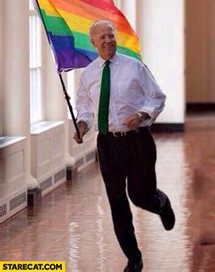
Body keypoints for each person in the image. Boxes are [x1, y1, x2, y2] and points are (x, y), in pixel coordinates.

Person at [74, 20, 175, 272]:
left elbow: (157, 97)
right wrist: (82, 125)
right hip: (108, 144)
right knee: (117, 202)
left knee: (139, 195)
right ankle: (133, 258)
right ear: (93, 42)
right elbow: (84, 108)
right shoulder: (88, 75)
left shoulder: (134, 67)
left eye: (111, 36)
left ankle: (160, 203)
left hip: (138, 140)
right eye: (102, 37)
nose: (108, 41)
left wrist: (141, 115)